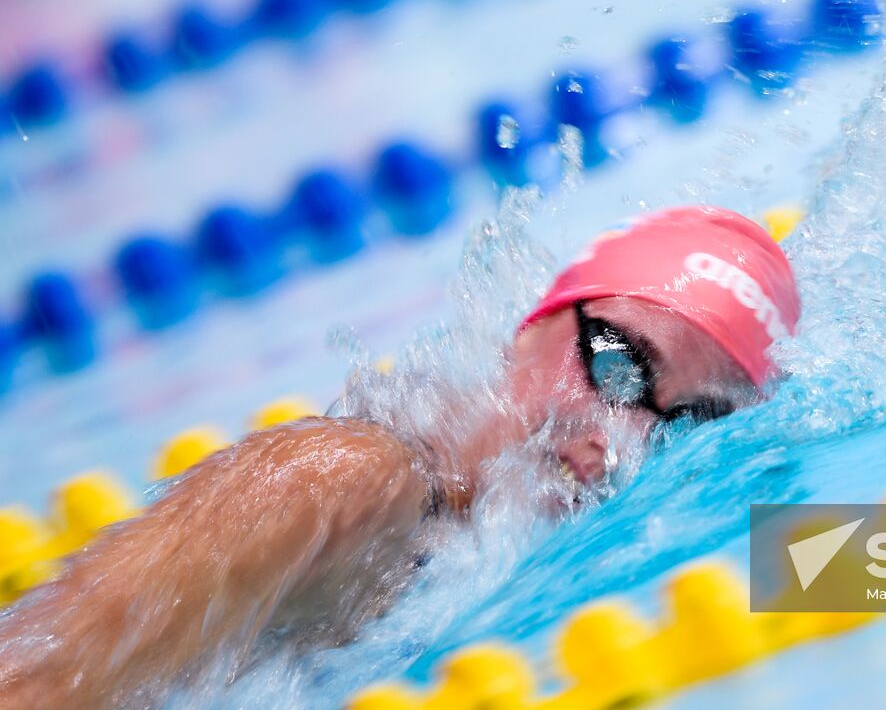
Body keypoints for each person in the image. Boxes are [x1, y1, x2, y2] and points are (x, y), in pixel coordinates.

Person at [0, 205, 801, 709]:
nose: (619, 445)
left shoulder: (500, 539)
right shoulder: (343, 478)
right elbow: (33, 677)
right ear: (536, 322)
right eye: (618, 367)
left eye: (684, 422)